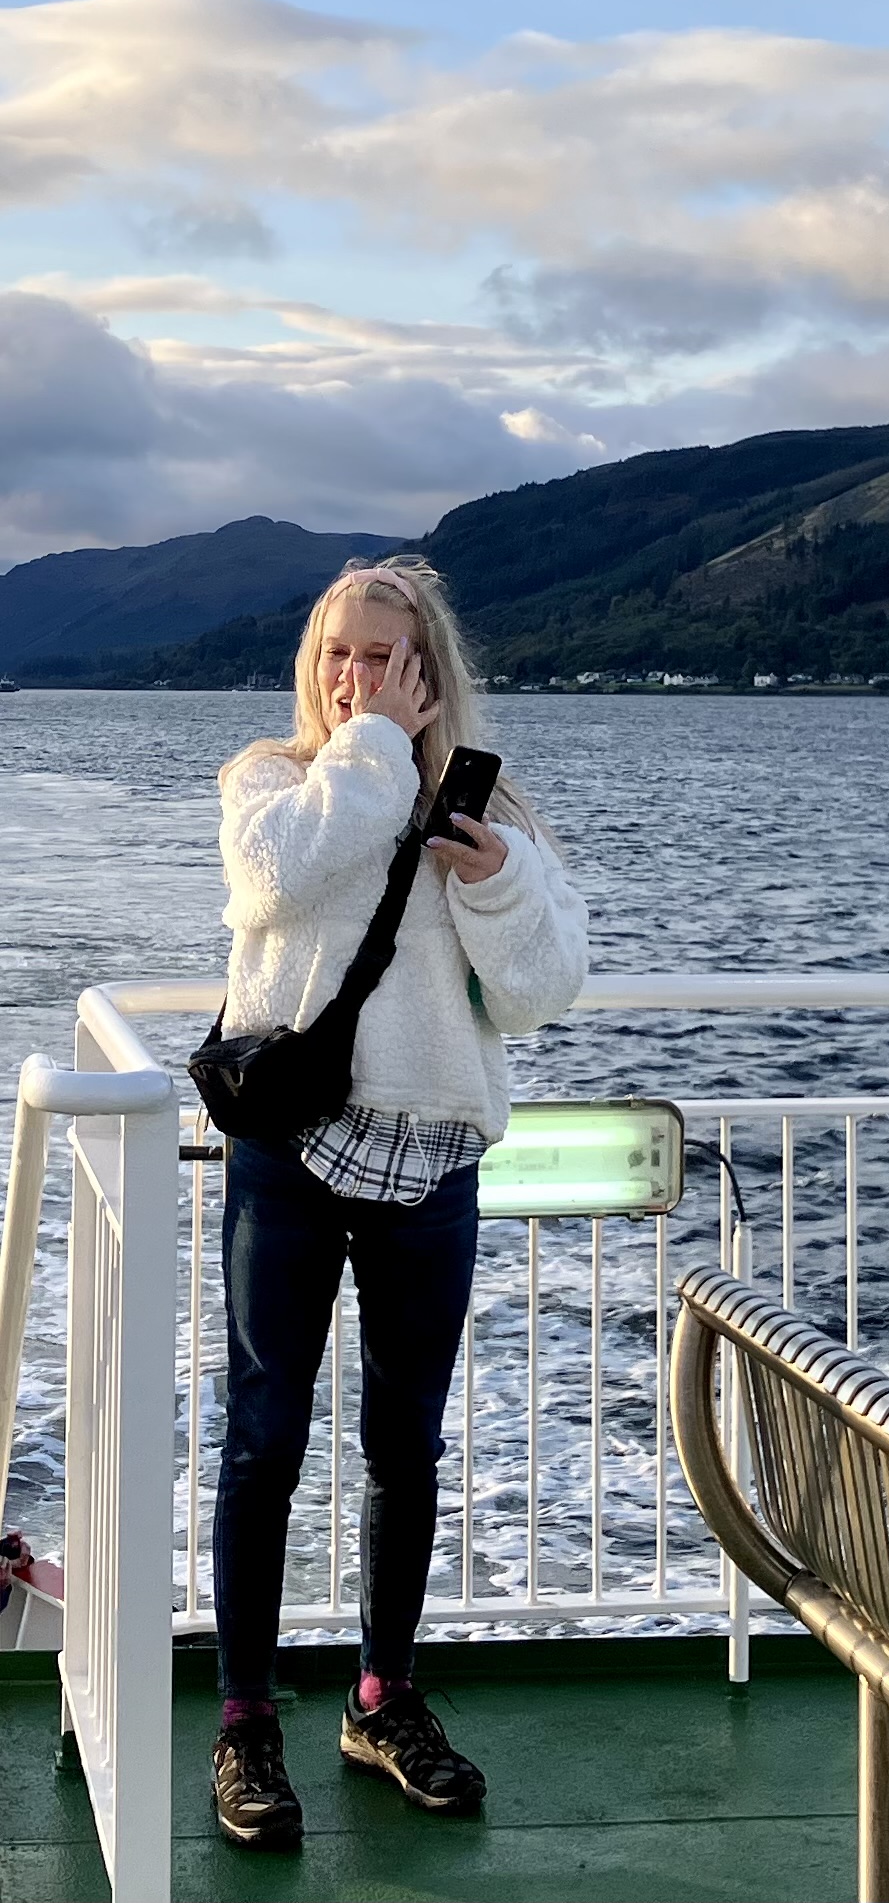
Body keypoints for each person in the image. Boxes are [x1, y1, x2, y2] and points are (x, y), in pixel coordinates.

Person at [206, 558, 589, 1853]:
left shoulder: (489, 810)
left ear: (432, 671)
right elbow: (273, 884)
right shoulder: (273, 782)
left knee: (403, 1448)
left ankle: (381, 1699)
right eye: (340, 654)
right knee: (264, 1441)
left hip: (433, 1164)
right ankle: (245, 1721)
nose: (357, 678)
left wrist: (492, 881)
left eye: (384, 657)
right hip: (289, 1156)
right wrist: (370, 747)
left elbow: (539, 992)